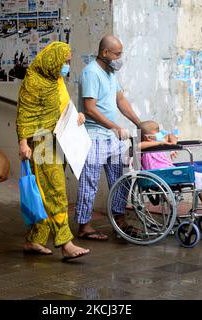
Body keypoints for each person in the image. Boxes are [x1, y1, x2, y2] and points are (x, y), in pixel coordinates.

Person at [16, 41, 90, 261]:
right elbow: (24, 114)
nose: (66, 66)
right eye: (64, 62)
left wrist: (77, 116)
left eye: (67, 62)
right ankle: (66, 243)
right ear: (53, 60)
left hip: (59, 139)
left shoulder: (55, 80)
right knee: (56, 190)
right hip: (40, 143)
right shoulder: (33, 81)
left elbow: (63, 106)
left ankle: (34, 240)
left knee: (43, 192)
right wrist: (22, 142)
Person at [75, 35, 141, 241]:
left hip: (111, 137)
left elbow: (120, 99)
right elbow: (90, 109)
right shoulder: (91, 73)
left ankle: (119, 220)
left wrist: (140, 124)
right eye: (117, 54)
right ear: (105, 53)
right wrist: (115, 126)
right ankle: (84, 226)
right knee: (89, 183)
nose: (120, 58)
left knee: (120, 180)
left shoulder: (110, 72)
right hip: (93, 137)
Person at [139, 120, 202, 228]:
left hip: (171, 173)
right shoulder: (145, 150)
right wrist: (160, 143)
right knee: (197, 182)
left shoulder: (161, 143)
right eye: (157, 132)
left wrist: (172, 146)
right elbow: (139, 146)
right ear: (148, 137)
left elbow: (172, 135)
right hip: (161, 177)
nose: (161, 135)